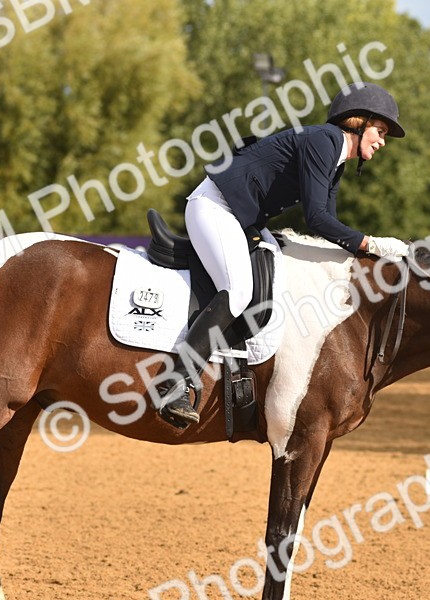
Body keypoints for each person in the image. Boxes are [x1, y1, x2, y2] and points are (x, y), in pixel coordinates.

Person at [155, 83, 414, 428]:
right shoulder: (326, 140)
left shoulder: (335, 159)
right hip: (215, 207)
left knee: (274, 273)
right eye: (380, 131)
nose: (382, 142)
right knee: (238, 292)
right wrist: (372, 245)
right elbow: (317, 219)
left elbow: (329, 222)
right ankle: (175, 381)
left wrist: (364, 251)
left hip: (242, 217)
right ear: (358, 122)